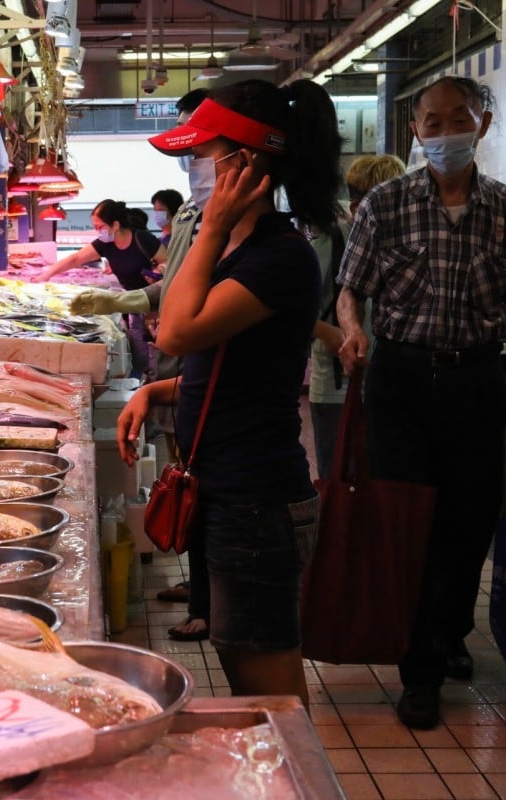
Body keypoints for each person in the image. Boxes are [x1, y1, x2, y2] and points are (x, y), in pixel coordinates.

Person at [335, 76, 506, 729]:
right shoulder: (385, 205)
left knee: (471, 518)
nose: (443, 132)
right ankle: (420, 669)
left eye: (456, 119)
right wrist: (352, 329)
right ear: (414, 130)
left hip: (476, 378)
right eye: (431, 122)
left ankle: (449, 628)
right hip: (401, 377)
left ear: (482, 124)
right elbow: (352, 289)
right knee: (409, 519)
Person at [118, 79, 343, 705]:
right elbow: (232, 363)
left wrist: (212, 224)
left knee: (268, 696)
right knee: (244, 670)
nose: (195, 171)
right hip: (231, 493)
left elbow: (178, 328)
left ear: (244, 162)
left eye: (202, 155)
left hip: (256, 501)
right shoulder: (244, 250)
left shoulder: (280, 257)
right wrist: (158, 393)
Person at [70, 88, 212, 641]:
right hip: (183, 375)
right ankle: (197, 582)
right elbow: (168, 292)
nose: (190, 159)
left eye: (201, 146)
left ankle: (208, 599)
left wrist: (133, 304)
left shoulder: (235, 232)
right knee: (188, 471)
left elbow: (176, 305)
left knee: (206, 480)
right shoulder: (195, 219)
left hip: (206, 380)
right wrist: (122, 301)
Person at [307, 154, 406, 479]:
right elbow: (292, 309)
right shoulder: (332, 238)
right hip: (339, 387)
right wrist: (332, 334)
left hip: (389, 383)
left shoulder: (402, 241)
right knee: (342, 486)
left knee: (385, 482)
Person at [37, 199, 165, 380]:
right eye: (95, 227)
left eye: (100, 226)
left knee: (158, 356)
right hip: (132, 307)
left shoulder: (142, 239)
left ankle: (157, 388)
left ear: (116, 224)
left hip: (155, 305)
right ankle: (143, 385)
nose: (98, 231)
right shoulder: (105, 244)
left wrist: (159, 271)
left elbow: (169, 262)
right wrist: (45, 275)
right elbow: (76, 258)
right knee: (140, 356)